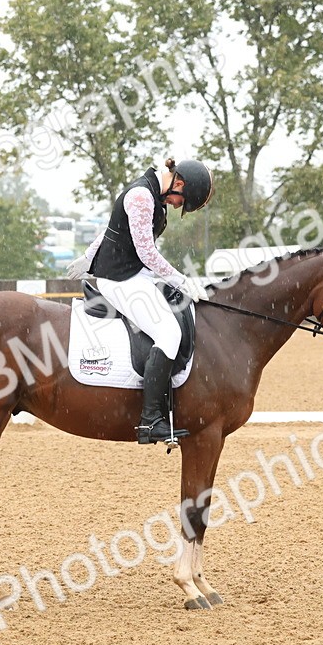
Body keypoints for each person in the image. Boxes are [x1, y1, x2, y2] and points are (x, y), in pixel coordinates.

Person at [66, 158, 213, 445]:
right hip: (121, 280)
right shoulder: (141, 196)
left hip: (134, 275)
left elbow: (112, 230)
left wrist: (88, 255)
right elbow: (146, 252)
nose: (174, 206)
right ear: (178, 183)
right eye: (178, 202)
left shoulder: (149, 194)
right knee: (169, 332)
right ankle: (150, 420)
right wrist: (180, 279)